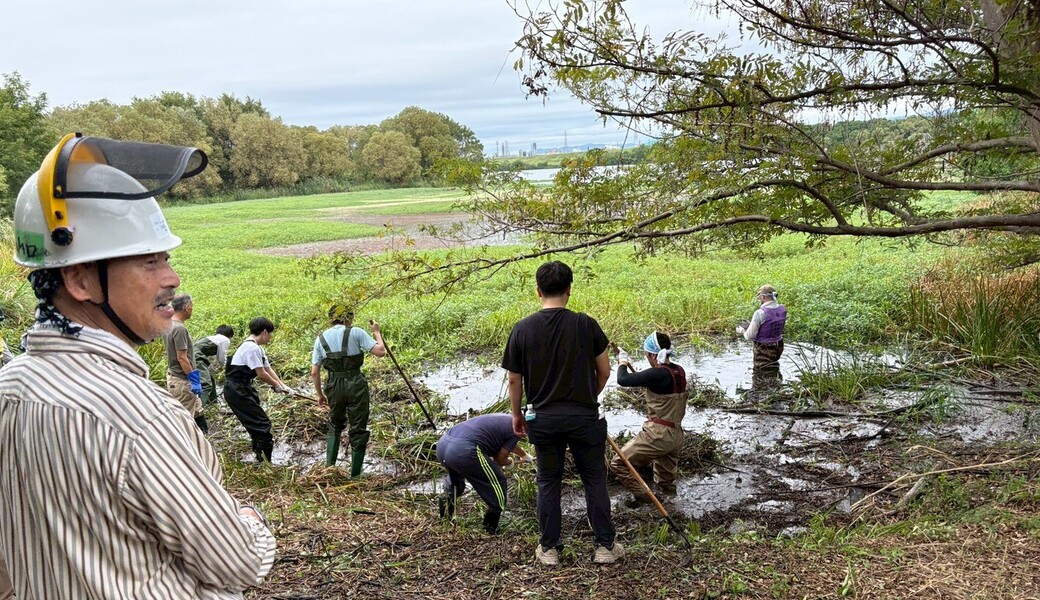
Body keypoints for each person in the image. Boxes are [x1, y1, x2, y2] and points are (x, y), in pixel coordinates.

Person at [0, 134, 275, 598]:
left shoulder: (9, 387)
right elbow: (240, 564)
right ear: (81, 279)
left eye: (165, 257)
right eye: (149, 261)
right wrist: (252, 522)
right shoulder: (143, 417)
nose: (172, 278)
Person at [503, 260, 623, 566]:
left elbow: (514, 379)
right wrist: (586, 398)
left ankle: (551, 549)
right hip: (584, 418)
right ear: (569, 289)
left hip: (542, 418)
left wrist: (516, 413)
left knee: (548, 480)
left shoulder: (522, 329)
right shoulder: (586, 324)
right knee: (594, 478)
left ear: (538, 291)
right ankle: (605, 548)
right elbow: (605, 372)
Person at [612, 332, 689, 504]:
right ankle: (670, 505)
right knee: (665, 483)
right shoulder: (678, 371)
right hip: (676, 434)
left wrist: (623, 361)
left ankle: (647, 500)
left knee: (619, 463)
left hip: (658, 435)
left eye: (647, 355)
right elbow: (652, 380)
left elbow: (623, 380)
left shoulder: (657, 375)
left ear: (653, 355)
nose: (647, 358)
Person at [311, 306, 385, 476]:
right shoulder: (357, 332)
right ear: (348, 318)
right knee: (358, 427)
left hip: (333, 386)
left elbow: (314, 372)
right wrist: (376, 332)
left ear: (331, 319)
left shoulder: (320, 339)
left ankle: (329, 469)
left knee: (335, 424)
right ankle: (356, 475)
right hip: (356, 384)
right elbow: (380, 352)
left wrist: (320, 395)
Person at [435, 413, 533, 534]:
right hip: (465, 450)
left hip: (443, 445)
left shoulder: (508, 419)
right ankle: (489, 530)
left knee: (455, 485)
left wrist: (523, 455)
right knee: (498, 481)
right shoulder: (517, 428)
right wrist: (510, 462)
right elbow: (499, 460)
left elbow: (506, 441)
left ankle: (445, 520)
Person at [225, 317, 292, 463]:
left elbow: (268, 369)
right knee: (262, 425)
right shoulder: (251, 348)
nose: (271, 337)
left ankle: (260, 460)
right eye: (270, 334)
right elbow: (261, 374)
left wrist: (283, 385)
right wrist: (276, 386)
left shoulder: (257, 348)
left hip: (244, 388)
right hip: (237, 390)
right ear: (265, 332)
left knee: (257, 424)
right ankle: (265, 464)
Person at [164, 292, 207, 432]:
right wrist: (194, 379)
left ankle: (204, 440)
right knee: (184, 423)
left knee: (198, 411)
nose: (192, 309)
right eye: (192, 306)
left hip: (178, 379)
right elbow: (182, 357)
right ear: (187, 307)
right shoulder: (179, 329)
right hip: (182, 381)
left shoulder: (170, 324)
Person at [736, 284, 788, 376]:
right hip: (778, 345)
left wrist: (742, 331)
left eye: (759, 298)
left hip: (764, 349)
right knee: (773, 368)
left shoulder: (760, 313)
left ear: (763, 297)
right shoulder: (782, 309)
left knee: (761, 375)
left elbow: (749, 336)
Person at [195, 324, 235, 406]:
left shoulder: (214, 338)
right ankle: (200, 408)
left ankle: (212, 403)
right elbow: (222, 356)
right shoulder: (225, 339)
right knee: (206, 384)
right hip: (196, 357)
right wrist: (223, 367)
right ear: (230, 335)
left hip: (193, 356)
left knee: (211, 379)